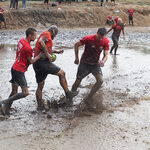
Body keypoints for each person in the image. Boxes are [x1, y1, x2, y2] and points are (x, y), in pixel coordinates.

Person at [33, 25, 78, 110]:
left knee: (40, 85)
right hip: (42, 62)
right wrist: (48, 55)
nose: (55, 36)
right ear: (53, 31)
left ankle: (39, 106)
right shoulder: (47, 34)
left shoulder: (46, 36)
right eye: (56, 34)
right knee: (62, 73)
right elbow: (41, 42)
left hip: (37, 63)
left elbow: (45, 47)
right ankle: (68, 93)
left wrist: (56, 52)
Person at [0, 28, 42, 115]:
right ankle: (4, 102)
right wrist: (40, 56)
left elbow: (24, 52)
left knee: (14, 92)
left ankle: (5, 110)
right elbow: (31, 61)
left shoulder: (21, 40)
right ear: (29, 35)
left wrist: (33, 50)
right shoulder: (28, 48)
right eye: (34, 35)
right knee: (25, 93)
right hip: (19, 71)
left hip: (14, 68)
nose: (36, 37)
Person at [71, 28, 109, 101]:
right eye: (99, 37)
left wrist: (103, 61)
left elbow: (106, 55)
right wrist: (76, 58)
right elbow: (76, 45)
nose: (100, 38)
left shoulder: (105, 41)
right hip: (85, 63)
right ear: (97, 33)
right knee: (77, 82)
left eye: (102, 37)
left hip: (95, 64)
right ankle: (70, 97)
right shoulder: (89, 38)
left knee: (100, 81)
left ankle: (89, 96)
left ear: (105, 35)